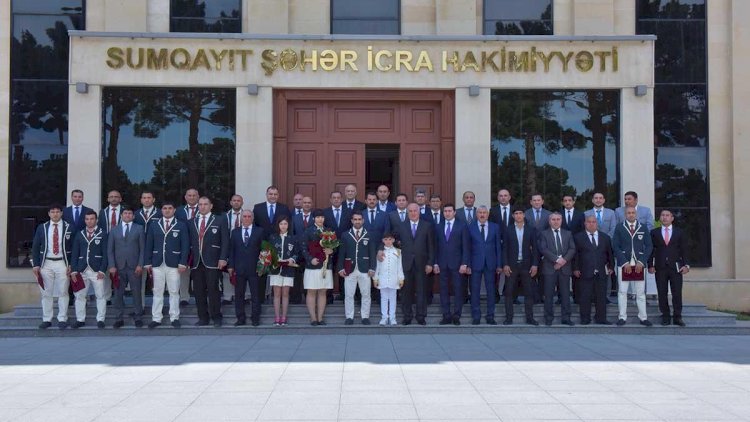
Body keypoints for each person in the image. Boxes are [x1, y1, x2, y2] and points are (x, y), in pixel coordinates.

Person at [144, 202, 189, 329]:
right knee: (157, 291)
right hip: (157, 263)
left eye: (170, 208)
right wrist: (147, 262)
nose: (167, 210)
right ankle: (156, 318)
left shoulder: (181, 225)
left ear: (174, 210)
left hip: (174, 263)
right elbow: (149, 244)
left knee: (174, 291)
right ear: (161, 210)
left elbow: (185, 245)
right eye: (165, 208)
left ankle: (174, 317)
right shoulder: (154, 225)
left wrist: (183, 262)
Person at [188, 196, 230, 327]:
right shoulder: (191, 221)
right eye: (200, 204)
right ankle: (203, 318)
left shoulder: (220, 219)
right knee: (198, 291)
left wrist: (223, 258)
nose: (202, 206)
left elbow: (225, 240)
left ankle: (216, 317)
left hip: (213, 260)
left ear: (211, 206)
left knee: (213, 290)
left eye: (205, 204)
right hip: (196, 261)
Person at [31, 204, 73, 330]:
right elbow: (35, 246)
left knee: (63, 291)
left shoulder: (69, 227)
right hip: (46, 263)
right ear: (49, 214)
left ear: (61, 213)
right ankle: (47, 319)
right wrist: (36, 264)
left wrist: (71, 264)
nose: (55, 214)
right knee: (46, 292)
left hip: (62, 263)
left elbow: (74, 247)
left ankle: (62, 318)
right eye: (52, 212)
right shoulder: (42, 227)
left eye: (57, 211)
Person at [612, 206, 653, 326]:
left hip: (639, 263)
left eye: (633, 213)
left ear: (636, 214)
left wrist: (642, 261)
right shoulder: (619, 227)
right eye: (628, 213)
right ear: (625, 214)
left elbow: (649, 246)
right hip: (624, 263)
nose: (631, 214)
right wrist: (624, 262)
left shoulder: (643, 227)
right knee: (622, 291)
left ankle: (643, 317)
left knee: (640, 292)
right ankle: (622, 317)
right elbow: (615, 246)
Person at [649, 209, 690, 326]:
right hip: (660, 267)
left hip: (676, 267)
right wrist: (650, 265)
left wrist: (686, 265)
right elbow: (651, 250)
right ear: (660, 218)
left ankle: (677, 317)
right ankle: (665, 316)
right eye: (662, 215)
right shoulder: (654, 232)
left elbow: (684, 249)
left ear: (672, 218)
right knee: (662, 292)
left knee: (677, 292)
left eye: (667, 215)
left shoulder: (679, 232)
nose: (665, 217)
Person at [396, 203, 435, 325]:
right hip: (406, 264)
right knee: (406, 292)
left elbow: (431, 246)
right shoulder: (401, 226)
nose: (413, 213)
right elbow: (394, 242)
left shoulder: (427, 226)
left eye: (415, 211)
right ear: (407, 213)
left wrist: (430, 263)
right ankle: (407, 316)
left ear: (419, 212)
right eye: (411, 211)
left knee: (421, 291)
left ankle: (421, 316)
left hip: (422, 264)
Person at [106, 207, 145, 329]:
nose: (127, 215)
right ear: (121, 215)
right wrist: (112, 265)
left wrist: (140, 264)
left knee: (136, 292)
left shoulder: (139, 228)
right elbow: (110, 250)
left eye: (130, 213)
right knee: (118, 294)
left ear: (133, 216)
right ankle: (119, 318)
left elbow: (143, 249)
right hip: (118, 267)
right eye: (125, 213)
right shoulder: (114, 230)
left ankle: (138, 317)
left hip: (134, 266)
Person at [69, 210, 108, 329]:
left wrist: (102, 270)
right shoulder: (80, 234)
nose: (89, 221)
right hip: (82, 269)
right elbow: (75, 253)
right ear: (84, 220)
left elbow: (106, 254)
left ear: (96, 220)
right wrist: (74, 270)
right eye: (87, 219)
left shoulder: (103, 233)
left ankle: (100, 319)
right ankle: (80, 319)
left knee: (100, 295)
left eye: (92, 219)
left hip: (97, 270)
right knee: (80, 295)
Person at [573, 215, 614, 325]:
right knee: (585, 296)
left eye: (593, 222)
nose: (591, 224)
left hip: (601, 271)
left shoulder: (605, 237)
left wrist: (611, 266)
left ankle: (601, 318)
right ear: (585, 223)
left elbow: (609, 253)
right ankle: (585, 318)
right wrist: (575, 268)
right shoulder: (578, 237)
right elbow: (575, 255)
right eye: (589, 222)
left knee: (601, 297)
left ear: (597, 223)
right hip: (584, 271)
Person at [537, 212, 576, 326]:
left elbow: (572, 249)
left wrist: (563, 260)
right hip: (550, 268)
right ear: (549, 221)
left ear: (561, 221)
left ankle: (566, 318)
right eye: (553, 219)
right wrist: (557, 260)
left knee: (565, 295)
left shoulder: (568, 233)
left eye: (558, 219)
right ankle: (548, 318)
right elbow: (543, 249)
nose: (556, 221)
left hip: (565, 268)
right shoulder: (544, 234)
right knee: (548, 295)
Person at [433, 203, 470, 325]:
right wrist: (435, 263)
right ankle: (446, 315)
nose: (447, 213)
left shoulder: (462, 226)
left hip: (458, 264)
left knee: (458, 290)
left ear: (454, 212)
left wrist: (464, 263)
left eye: (450, 211)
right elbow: (435, 247)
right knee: (443, 291)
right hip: (442, 264)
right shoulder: (438, 226)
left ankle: (457, 315)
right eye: (445, 211)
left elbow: (466, 246)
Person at [337, 212, 376, 325]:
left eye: (359, 219)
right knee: (349, 294)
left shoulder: (369, 234)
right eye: (355, 219)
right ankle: (349, 316)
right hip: (349, 269)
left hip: (365, 268)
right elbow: (341, 253)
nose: (357, 221)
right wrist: (340, 268)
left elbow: (372, 252)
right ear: (352, 221)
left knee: (366, 294)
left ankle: (365, 316)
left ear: (363, 220)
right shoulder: (345, 235)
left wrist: (372, 268)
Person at [228, 210, 265, 326]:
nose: (247, 218)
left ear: (252, 218)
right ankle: (240, 318)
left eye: (249, 216)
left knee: (255, 295)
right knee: (239, 295)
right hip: (239, 269)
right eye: (244, 216)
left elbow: (264, 250)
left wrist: (261, 267)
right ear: (241, 218)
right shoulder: (235, 232)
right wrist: (231, 266)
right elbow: (232, 250)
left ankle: (255, 318)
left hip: (255, 269)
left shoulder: (259, 231)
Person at [502, 206, 539, 326]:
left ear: (524, 215)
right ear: (513, 216)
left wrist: (535, 265)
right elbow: (504, 249)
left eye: (520, 213)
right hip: (511, 266)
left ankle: (530, 318)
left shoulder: (531, 229)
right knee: (509, 292)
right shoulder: (508, 230)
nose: (518, 215)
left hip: (526, 265)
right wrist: (505, 264)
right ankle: (509, 318)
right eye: (516, 213)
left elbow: (535, 249)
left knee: (529, 292)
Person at [466, 205, 502, 325]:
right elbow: (467, 248)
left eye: (484, 213)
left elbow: (498, 247)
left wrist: (499, 264)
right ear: (476, 214)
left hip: (491, 263)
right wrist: (468, 265)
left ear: (488, 214)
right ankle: (476, 316)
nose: (482, 215)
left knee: (491, 291)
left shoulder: (495, 227)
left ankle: (490, 316)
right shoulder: (470, 227)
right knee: (474, 291)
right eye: (480, 213)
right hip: (475, 263)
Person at [302, 209, 334, 325]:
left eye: (322, 217)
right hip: (312, 266)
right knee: (311, 291)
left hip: (325, 265)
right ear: (313, 218)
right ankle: (313, 318)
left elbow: (333, 247)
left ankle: (320, 318)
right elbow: (303, 248)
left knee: (322, 291)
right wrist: (310, 259)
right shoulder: (308, 231)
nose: (320, 219)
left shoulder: (328, 231)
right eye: (318, 217)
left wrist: (331, 250)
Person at [269, 216, 299, 326]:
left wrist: (292, 259)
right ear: (278, 225)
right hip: (275, 269)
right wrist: (274, 259)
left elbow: (297, 252)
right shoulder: (273, 237)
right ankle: (277, 317)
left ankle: (284, 317)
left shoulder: (293, 238)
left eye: (285, 224)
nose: (283, 226)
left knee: (285, 294)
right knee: (277, 294)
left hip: (288, 269)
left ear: (288, 225)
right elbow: (268, 251)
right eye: (281, 224)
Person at [175, 188, 200, 306]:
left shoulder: (203, 208)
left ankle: (199, 295)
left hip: (199, 246)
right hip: (183, 246)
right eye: (189, 195)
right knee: (183, 273)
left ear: (198, 197)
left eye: (194, 195)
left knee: (199, 273)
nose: (192, 197)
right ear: (185, 197)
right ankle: (184, 297)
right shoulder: (178, 211)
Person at [373, 232, 404, 326]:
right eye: (386, 239)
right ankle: (384, 318)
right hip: (383, 278)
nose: (388, 241)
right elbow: (377, 266)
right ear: (383, 240)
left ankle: (392, 318)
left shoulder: (398, 251)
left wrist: (401, 278)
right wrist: (375, 278)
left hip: (394, 279)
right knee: (384, 299)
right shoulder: (380, 252)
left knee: (393, 299)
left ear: (393, 240)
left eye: (390, 239)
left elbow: (399, 266)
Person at [222, 194, 247, 305]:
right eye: (234, 200)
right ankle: (228, 296)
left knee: (245, 271)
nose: (236, 202)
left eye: (238, 201)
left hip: (244, 247)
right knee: (227, 271)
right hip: (228, 247)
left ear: (242, 202)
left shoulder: (247, 215)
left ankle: (246, 296)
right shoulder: (224, 216)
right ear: (231, 202)